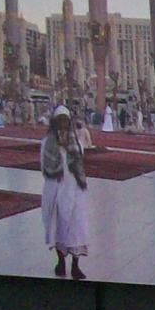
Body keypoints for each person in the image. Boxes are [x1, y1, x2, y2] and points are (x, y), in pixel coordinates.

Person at [40, 105, 90, 280]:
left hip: (74, 190)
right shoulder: (47, 143)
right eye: (59, 120)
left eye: (65, 121)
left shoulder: (76, 142)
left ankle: (76, 266)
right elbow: (44, 167)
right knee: (58, 228)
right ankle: (61, 262)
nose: (62, 124)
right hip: (55, 189)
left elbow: (79, 165)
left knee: (77, 228)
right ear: (55, 122)